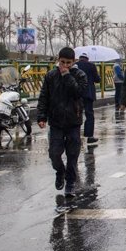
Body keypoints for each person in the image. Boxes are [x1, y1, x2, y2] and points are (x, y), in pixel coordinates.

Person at [37, 47, 88, 196]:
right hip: (56, 122)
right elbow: (44, 97)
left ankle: (70, 183)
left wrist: (67, 76)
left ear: (74, 62)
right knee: (54, 153)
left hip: (73, 121)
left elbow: (78, 92)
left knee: (73, 155)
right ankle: (60, 172)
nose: (64, 65)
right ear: (58, 60)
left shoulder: (79, 75)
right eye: (62, 62)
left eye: (68, 63)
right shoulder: (51, 76)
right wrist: (41, 116)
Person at [75, 53, 101, 144]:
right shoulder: (91, 66)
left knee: (77, 114)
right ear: (87, 58)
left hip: (77, 94)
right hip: (88, 94)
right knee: (89, 114)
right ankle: (90, 136)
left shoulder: (75, 65)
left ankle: (76, 135)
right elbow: (97, 79)